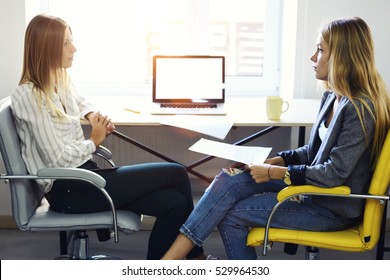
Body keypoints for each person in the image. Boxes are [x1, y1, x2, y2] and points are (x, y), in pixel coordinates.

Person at [161, 17, 390, 260]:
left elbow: (333, 173)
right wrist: (273, 161)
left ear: (343, 57)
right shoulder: (333, 96)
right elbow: (313, 152)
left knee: (233, 214)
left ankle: (171, 265)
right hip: (313, 189)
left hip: (330, 208)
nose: (313, 57)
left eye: (320, 50)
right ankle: (184, 260)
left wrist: (272, 174)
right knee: (229, 178)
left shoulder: (359, 109)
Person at [11, 14, 206, 260]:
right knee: (176, 172)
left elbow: (82, 101)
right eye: (66, 43)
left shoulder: (59, 79)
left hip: (86, 176)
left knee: (174, 203)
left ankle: (158, 268)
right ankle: (196, 255)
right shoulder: (28, 95)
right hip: (69, 188)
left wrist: (93, 115)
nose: (74, 48)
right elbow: (57, 159)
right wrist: (94, 141)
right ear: (47, 47)